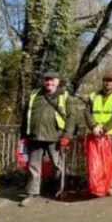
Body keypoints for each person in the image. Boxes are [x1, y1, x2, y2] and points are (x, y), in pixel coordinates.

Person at [19, 71, 76, 206]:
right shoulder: (34, 95)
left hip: (55, 137)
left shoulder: (65, 96)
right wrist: (24, 135)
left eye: (52, 80)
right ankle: (32, 193)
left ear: (57, 81)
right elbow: (26, 115)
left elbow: (71, 117)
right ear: (42, 81)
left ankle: (60, 190)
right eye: (46, 80)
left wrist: (66, 136)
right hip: (35, 136)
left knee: (58, 165)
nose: (49, 82)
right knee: (33, 166)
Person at [85, 72, 112, 195]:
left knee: (109, 161)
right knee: (95, 161)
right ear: (102, 82)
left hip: (110, 135)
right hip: (94, 134)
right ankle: (96, 185)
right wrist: (94, 126)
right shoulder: (92, 96)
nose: (108, 83)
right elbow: (87, 113)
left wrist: (104, 128)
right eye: (106, 80)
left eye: (111, 81)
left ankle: (110, 184)